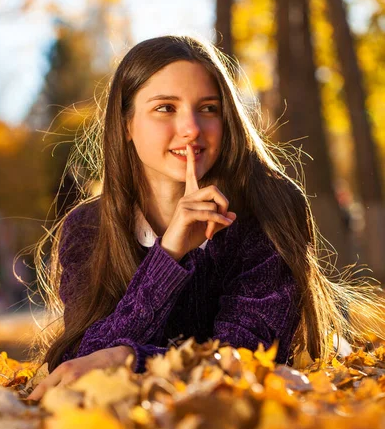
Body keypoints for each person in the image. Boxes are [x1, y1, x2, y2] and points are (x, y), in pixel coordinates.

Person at [27, 34, 385, 400]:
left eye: (208, 108)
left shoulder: (270, 208)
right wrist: (168, 256)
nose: (192, 128)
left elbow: (248, 358)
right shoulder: (88, 226)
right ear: (126, 126)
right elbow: (84, 361)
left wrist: (130, 359)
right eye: (165, 108)